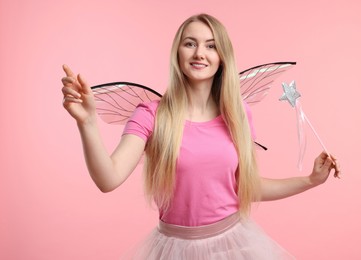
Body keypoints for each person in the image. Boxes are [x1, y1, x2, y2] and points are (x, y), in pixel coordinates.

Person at [61, 13, 340, 260]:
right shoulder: (151, 115)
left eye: (211, 45)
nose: (199, 53)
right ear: (178, 53)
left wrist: (311, 181)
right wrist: (87, 122)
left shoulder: (237, 114)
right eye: (190, 43)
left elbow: (247, 186)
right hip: (174, 249)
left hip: (233, 246)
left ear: (222, 57)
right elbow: (108, 178)